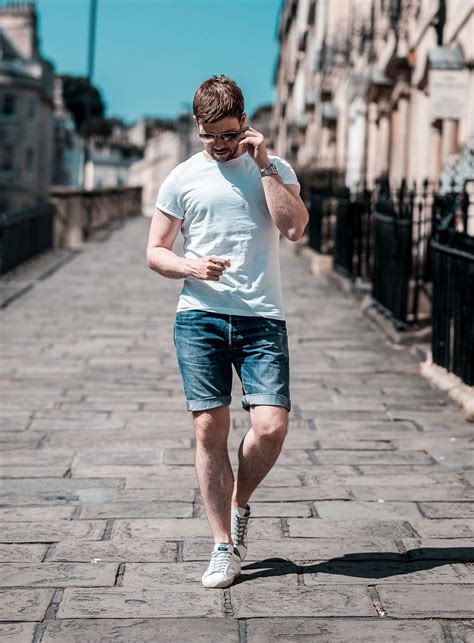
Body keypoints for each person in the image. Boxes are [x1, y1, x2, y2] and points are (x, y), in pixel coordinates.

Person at [146, 75, 309, 588]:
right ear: (198, 128)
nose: (218, 146)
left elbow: (294, 227)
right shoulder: (181, 177)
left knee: (271, 427)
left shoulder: (274, 169)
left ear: (245, 124)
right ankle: (222, 545)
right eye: (209, 135)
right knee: (208, 430)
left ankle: (239, 504)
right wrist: (190, 267)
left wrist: (264, 166)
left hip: (262, 317)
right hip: (200, 317)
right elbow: (155, 251)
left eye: (228, 135)